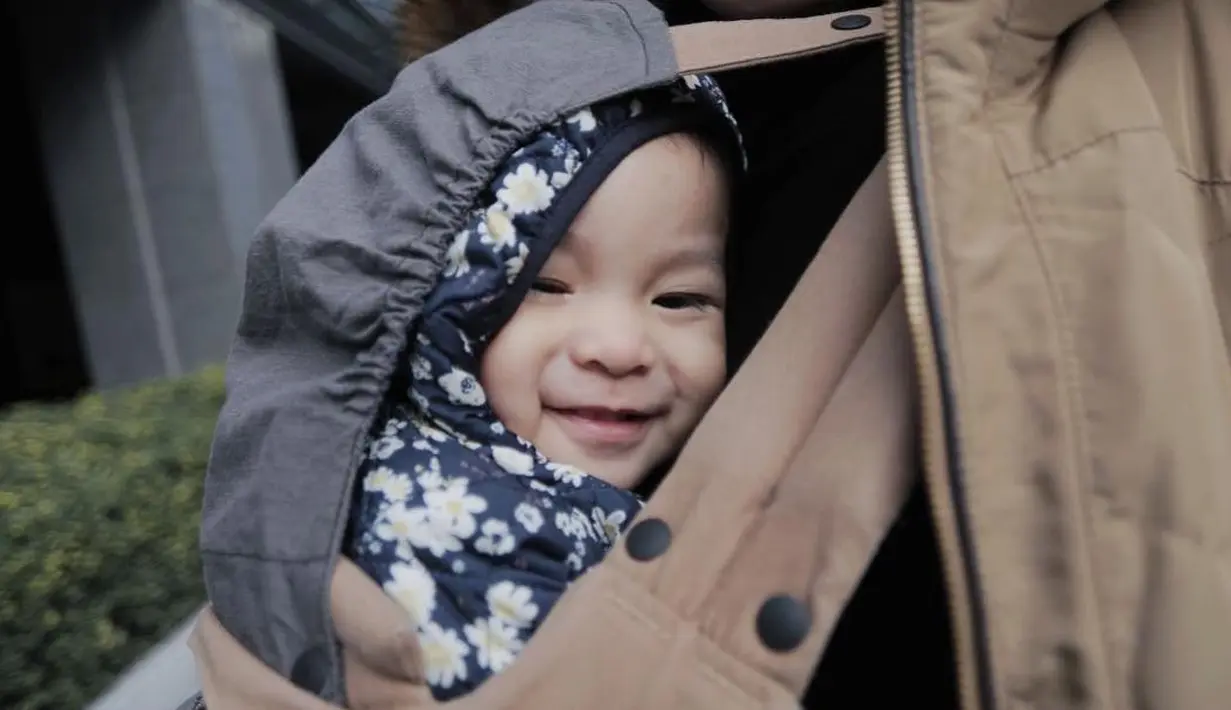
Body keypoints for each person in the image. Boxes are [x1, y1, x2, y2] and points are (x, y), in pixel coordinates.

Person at [344, 78, 743, 700]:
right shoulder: (453, 528)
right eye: (547, 286)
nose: (618, 350)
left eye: (678, 298)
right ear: (439, 297)